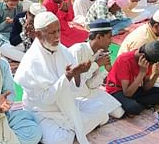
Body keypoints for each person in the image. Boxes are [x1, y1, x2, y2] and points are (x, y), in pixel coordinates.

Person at [15, 12, 109, 144]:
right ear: (38, 35)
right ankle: (75, 127)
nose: (57, 36)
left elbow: (75, 89)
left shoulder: (62, 50)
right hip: (43, 112)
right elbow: (47, 99)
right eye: (52, 32)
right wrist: (68, 76)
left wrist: (78, 73)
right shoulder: (31, 62)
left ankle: (73, 128)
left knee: (102, 109)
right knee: (61, 140)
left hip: (67, 104)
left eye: (58, 31)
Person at [68, 20, 125, 118]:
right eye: (109, 37)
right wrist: (96, 64)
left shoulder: (99, 53)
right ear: (99, 37)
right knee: (102, 116)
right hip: (76, 94)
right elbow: (77, 84)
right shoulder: (78, 50)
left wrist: (106, 70)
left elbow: (92, 85)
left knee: (119, 113)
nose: (111, 41)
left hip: (90, 92)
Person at [106, 41, 159, 115]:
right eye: (152, 63)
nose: (151, 65)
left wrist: (156, 75)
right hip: (117, 90)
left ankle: (136, 102)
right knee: (134, 108)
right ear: (142, 56)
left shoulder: (147, 59)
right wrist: (142, 72)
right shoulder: (124, 60)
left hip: (134, 88)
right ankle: (138, 103)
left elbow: (146, 88)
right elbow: (127, 93)